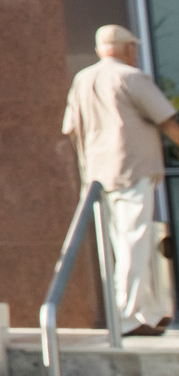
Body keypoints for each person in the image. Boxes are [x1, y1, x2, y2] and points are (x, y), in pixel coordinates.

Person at [63, 24, 179, 336]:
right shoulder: (130, 77)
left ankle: (146, 312)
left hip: (98, 175)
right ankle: (127, 317)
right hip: (132, 170)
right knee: (133, 243)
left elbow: (70, 127)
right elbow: (167, 120)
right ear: (127, 48)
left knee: (122, 243)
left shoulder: (82, 79)